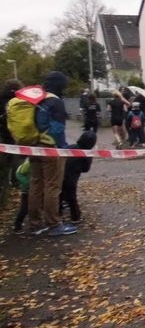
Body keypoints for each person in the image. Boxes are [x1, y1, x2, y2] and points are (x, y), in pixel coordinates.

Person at [27, 71, 76, 237]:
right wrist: (62, 147)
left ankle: (35, 223)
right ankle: (53, 223)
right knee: (52, 186)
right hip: (50, 147)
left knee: (35, 184)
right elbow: (57, 129)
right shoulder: (55, 101)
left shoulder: (36, 99)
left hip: (33, 146)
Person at [59, 130, 97, 224]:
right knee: (72, 197)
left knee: (59, 195)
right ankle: (75, 216)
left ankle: (58, 214)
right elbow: (86, 169)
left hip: (61, 174)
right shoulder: (87, 154)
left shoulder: (71, 147)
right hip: (72, 178)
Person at [12, 158, 30, 235]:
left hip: (36, 189)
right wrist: (28, 183)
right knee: (24, 209)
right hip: (27, 190)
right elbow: (18, 173)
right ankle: (17, 226)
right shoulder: (28, 162)